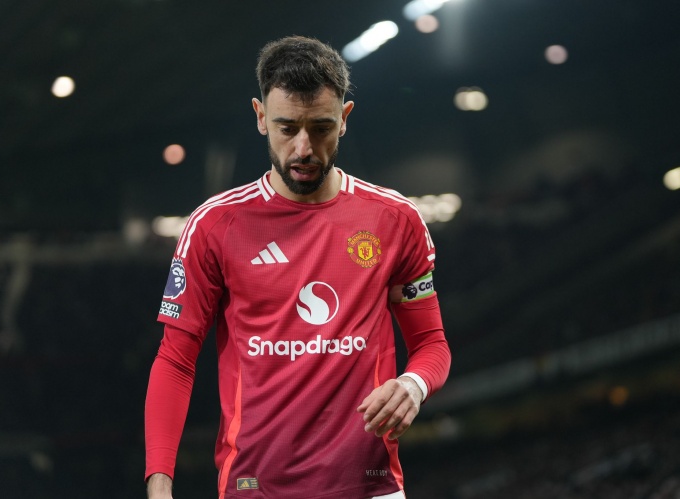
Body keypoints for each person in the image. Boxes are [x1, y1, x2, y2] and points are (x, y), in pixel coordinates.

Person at [145, 35, 452, 499]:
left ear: (345, 118)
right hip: (255, 487)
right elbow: (175, 360)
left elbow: (431, 344)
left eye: (321, 127)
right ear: (260, 116)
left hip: (371, 488)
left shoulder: (394, 219)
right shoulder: (214, 226)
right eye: (287, 128)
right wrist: (159, 487)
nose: (304, 148)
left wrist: (413, 384)